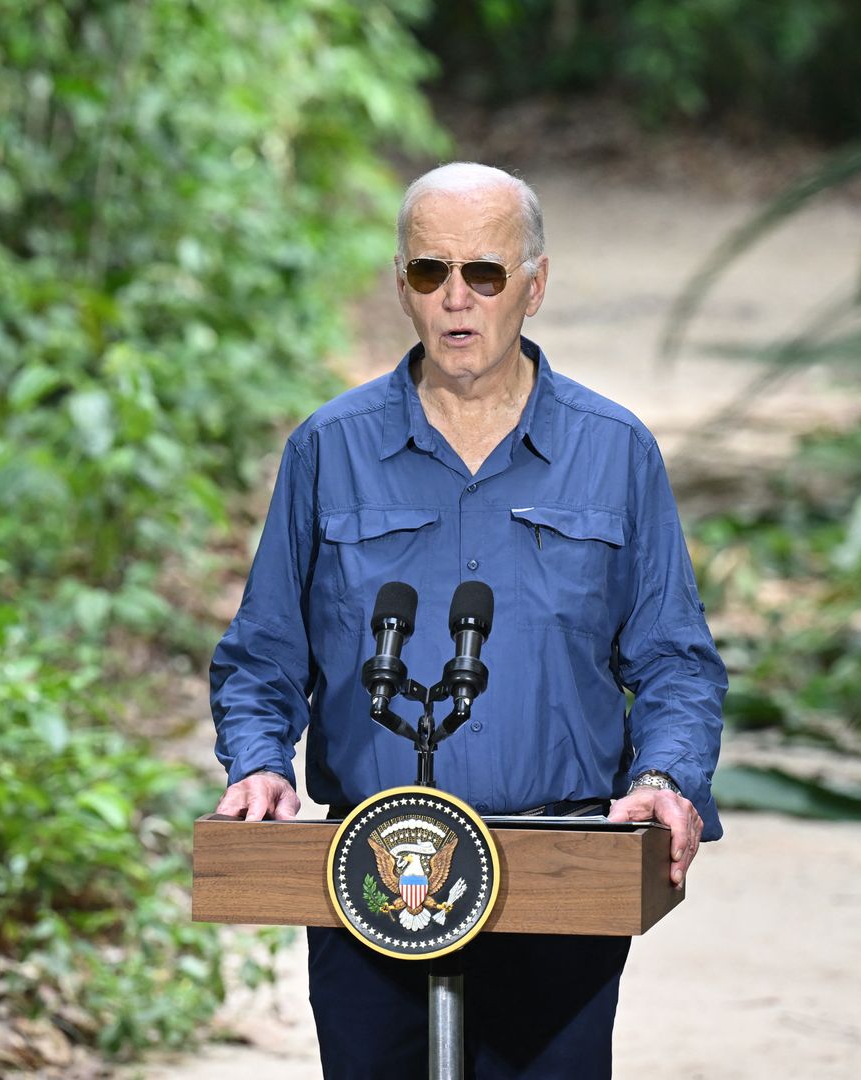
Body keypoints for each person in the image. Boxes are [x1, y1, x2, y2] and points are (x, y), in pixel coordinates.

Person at [209, 161, 727, 1079]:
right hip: (371, 868)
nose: (457, 299)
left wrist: (664, 775)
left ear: (534, 284)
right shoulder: (329, 450)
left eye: (484, 273)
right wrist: (257, 766)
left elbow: (675, 660)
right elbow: (262, 657)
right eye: (429, 272)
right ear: (400, 285)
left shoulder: (614, 453)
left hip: (561, 870)